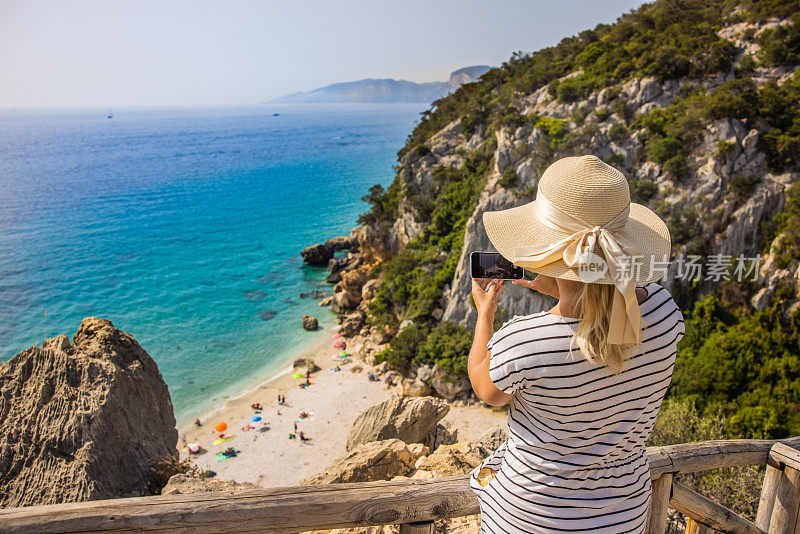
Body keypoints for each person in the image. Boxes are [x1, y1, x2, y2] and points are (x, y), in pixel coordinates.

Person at [466, 155, 685, 533]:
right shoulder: (666, 314)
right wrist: (561, 282)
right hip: (621, 516)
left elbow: (486, 389)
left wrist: (483, 315)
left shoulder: (524, 339)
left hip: (531, 518)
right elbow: (604, 310)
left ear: (548, 252)